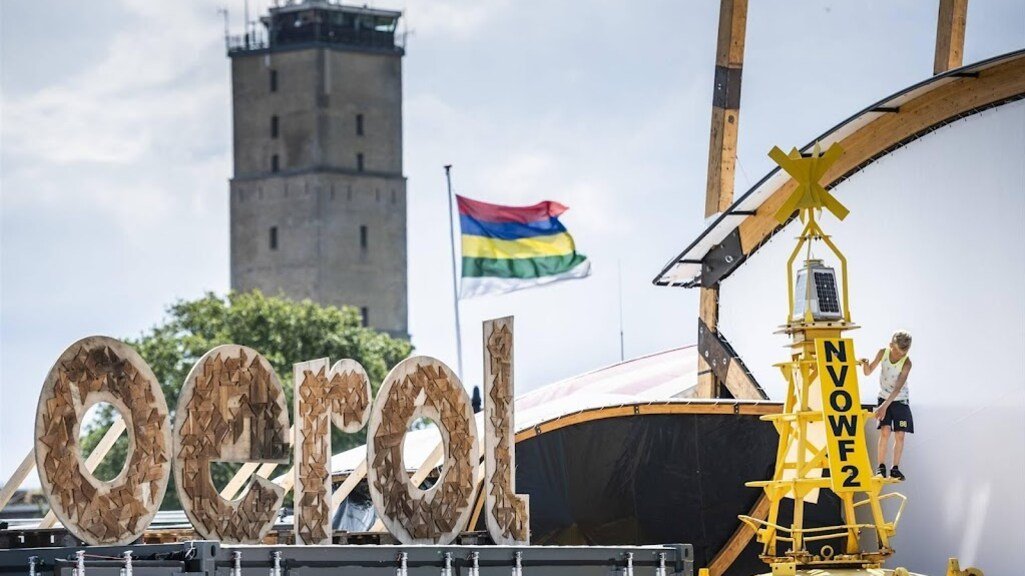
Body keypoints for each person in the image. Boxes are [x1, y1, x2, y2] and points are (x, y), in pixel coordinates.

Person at [859, 330, 913, 481]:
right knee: (885, 431)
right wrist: (865, 364)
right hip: (883, 397)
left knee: (900, 434)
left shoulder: (907, 363)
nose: (899, 355)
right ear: (891, 346)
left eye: (903, 353)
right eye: (897, 352)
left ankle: (895, 468)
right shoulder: (883, 353)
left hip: (900, 399)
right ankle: (880, 467)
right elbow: (868, 372)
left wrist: (884, 406)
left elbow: (897, 389)